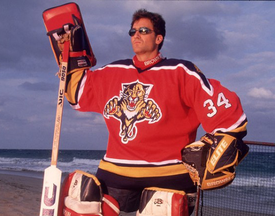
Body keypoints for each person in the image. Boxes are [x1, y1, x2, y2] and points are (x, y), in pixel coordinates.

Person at [63, 9, 248, 215]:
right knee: (82, 199)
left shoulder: (181, 71)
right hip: (117, 170)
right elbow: (76, 94)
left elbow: (227, 114)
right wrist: (71, 54)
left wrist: (223, 143)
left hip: (170, 172)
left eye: (143, 30)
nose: (136, 35)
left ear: (158, 38)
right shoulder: (112, 72)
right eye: (132, 31)